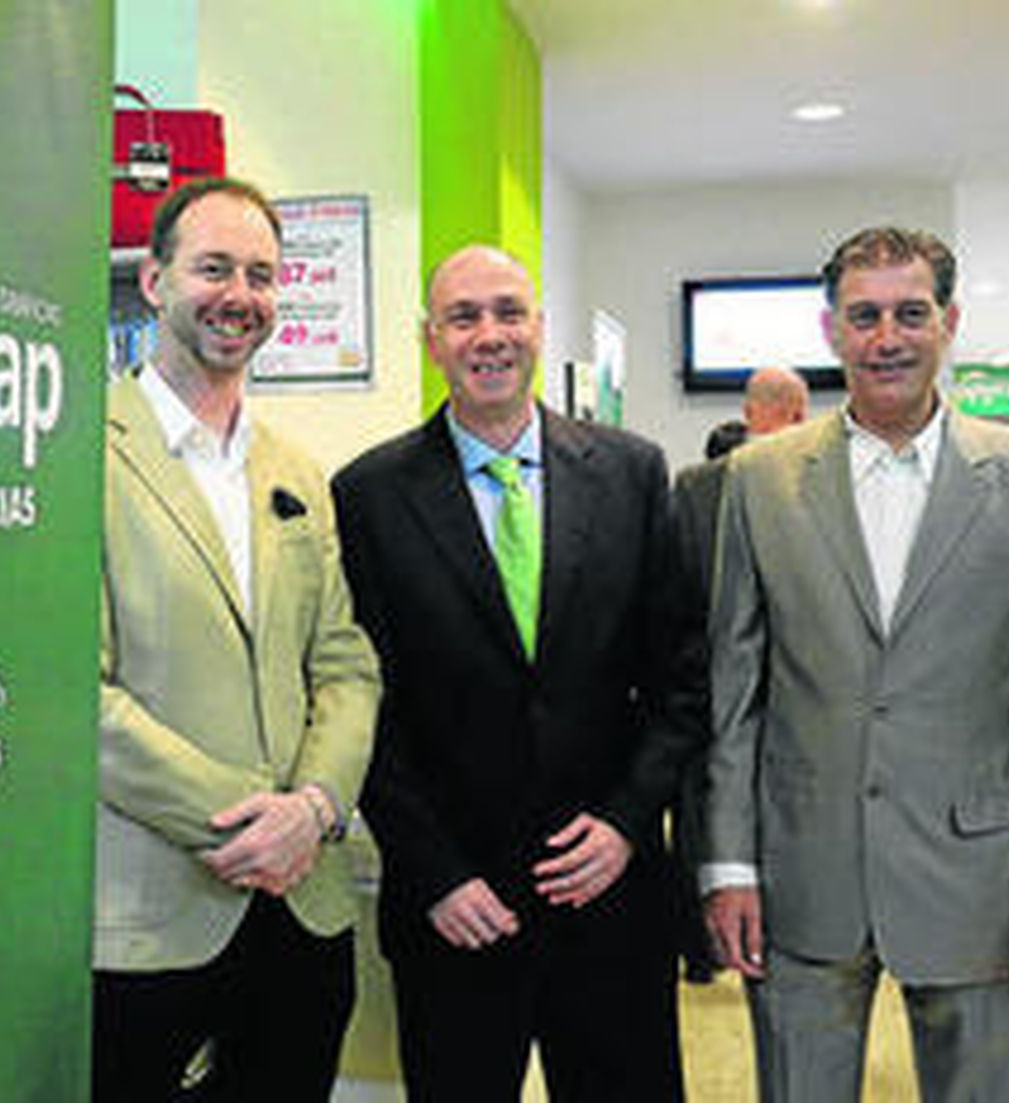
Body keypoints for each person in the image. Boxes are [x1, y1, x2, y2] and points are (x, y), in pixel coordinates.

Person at [705, 225, 1009, 1102]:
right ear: (831, 330)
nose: (887, 338)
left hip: (980, 884)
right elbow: (736, 692)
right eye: (864, 316)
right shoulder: (758, 480)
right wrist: (728, 866)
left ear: (949, 322)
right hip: (802, 876)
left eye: (911, 313)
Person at [332, 245, 706, 1102]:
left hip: (608, 894)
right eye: (464, 317)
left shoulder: (633, 473)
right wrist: (434, 871)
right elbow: (362, 704)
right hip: (456, 910)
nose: (489, 335)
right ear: (430, 339)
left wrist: (623, 823)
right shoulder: (367, 495)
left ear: (539, 327)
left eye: (508, 312)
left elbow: (684, 681)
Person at [94, 177, 381, 1103]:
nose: (240, 295)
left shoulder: (295, 470)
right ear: (154, 280)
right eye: (213, 267)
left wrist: (313, 808)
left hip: (302, 903)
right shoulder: (80, 455)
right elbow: (76, 692)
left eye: (261, 274)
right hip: (155, 913)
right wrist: (249, 820)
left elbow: (345, 663)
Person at [670, 368, 810, 983]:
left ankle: (701, 950)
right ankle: (778, 934)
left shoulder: (692, 487)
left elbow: (675, 594)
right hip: (797, 697)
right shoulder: (818, 483)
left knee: (703, 814)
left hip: (705, 687)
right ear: (798, 411)